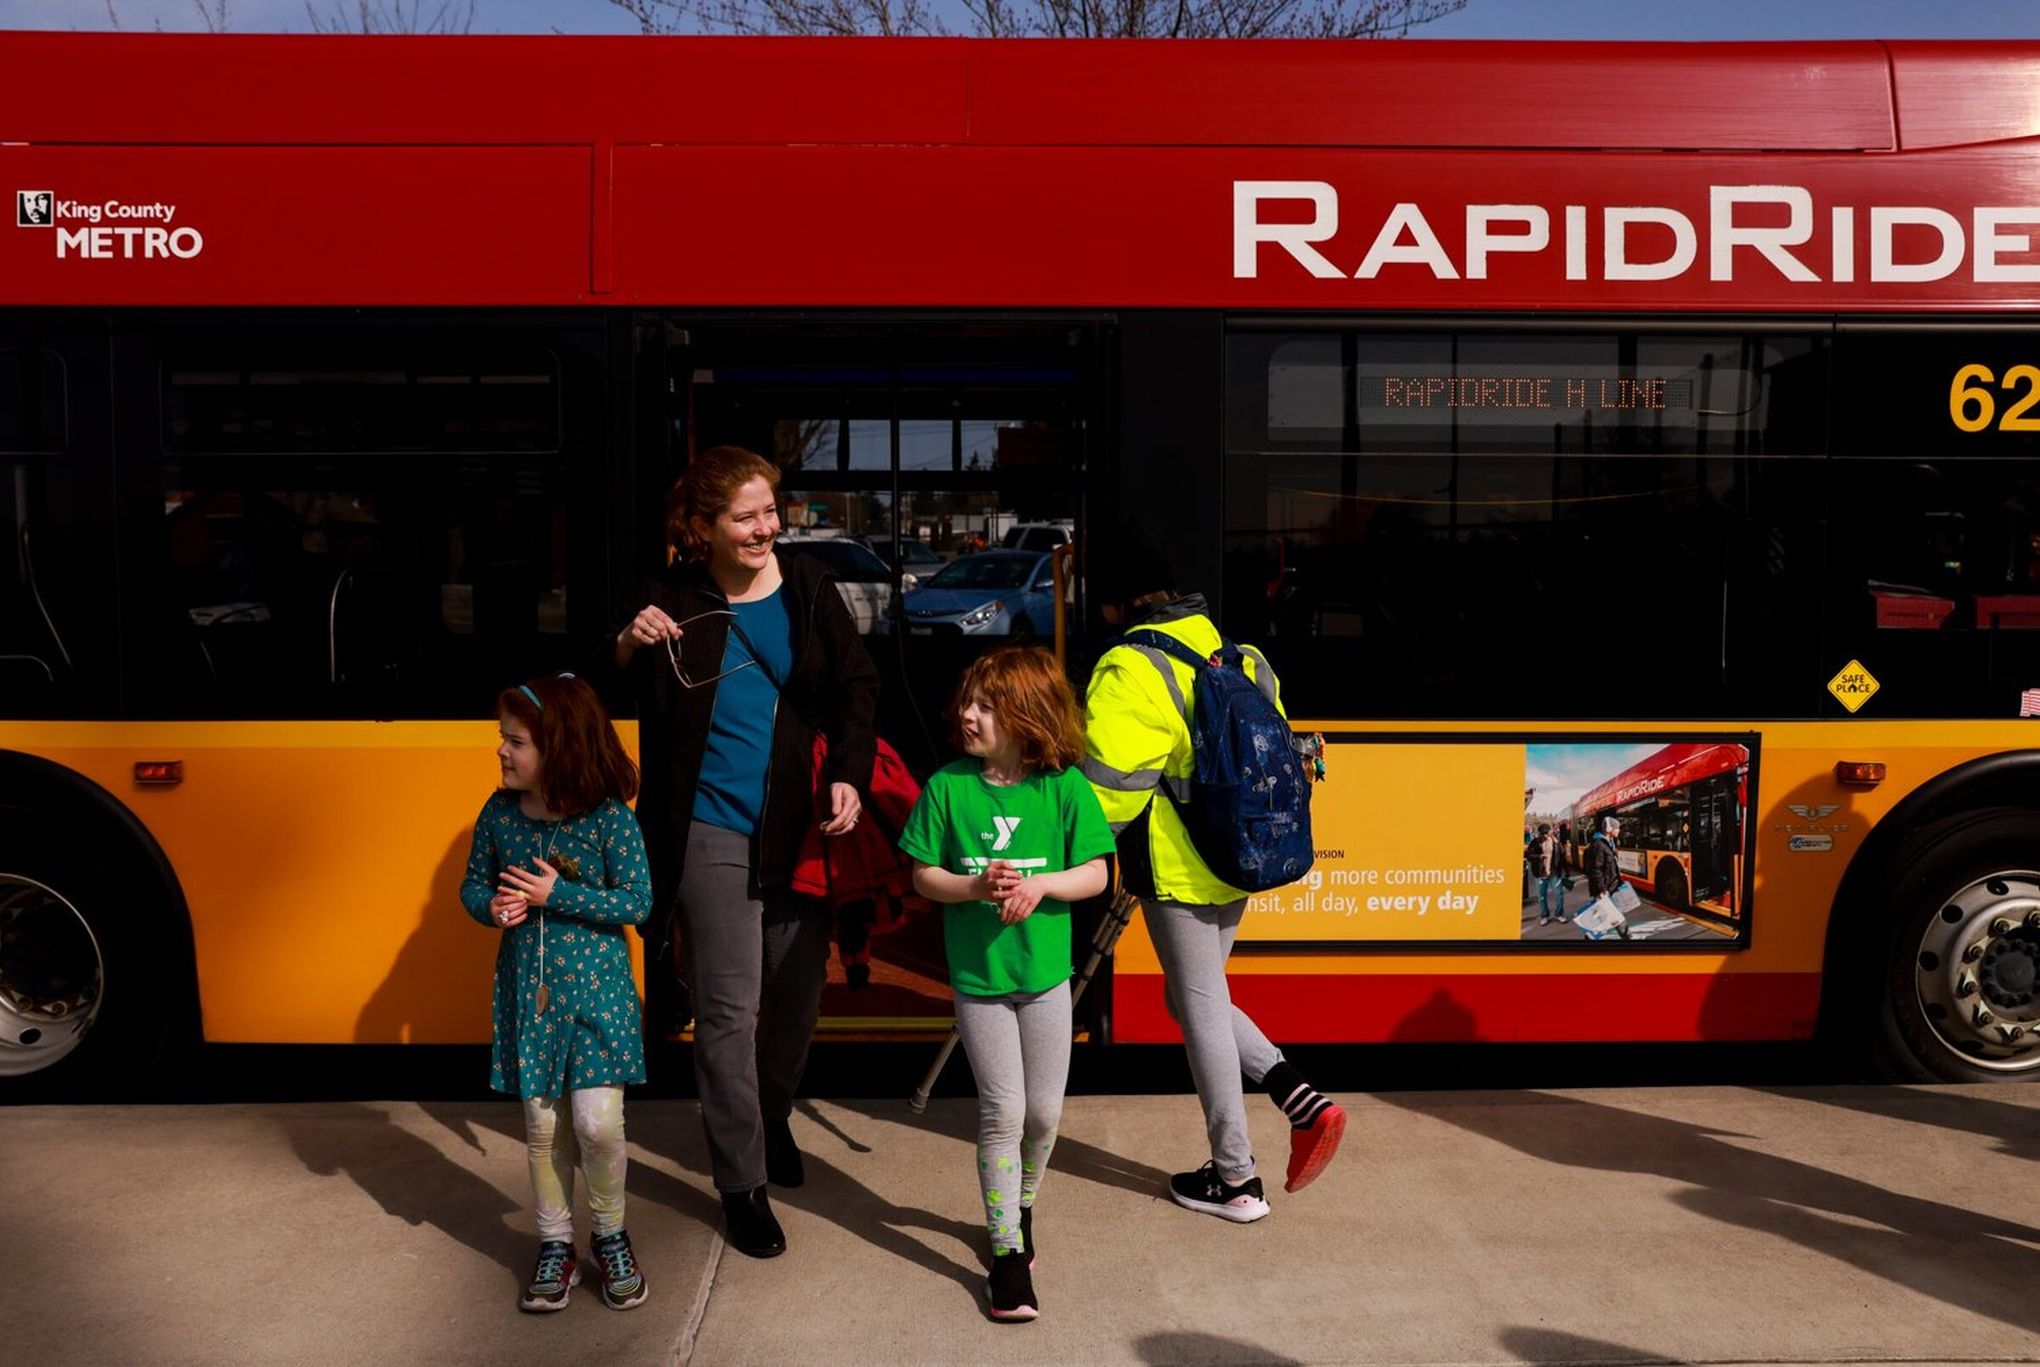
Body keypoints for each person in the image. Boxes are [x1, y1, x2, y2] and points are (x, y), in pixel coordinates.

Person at [589, 445, 878, 1260]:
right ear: (704, 526)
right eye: (746, 516)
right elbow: (598, 689)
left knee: (795, 1002)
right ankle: (741, 1182)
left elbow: (860, 688)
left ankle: (773, 1113)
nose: (765, 528)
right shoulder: (668, 597)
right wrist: (624, 644)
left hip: (799, 824)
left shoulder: (811, 589)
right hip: (708, 827)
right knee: (724, 1010)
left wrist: (850, 777)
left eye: (769, 512)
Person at [1079, 522, 1345, 1224]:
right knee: (1194, 998)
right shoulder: (1244, 655)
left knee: (1196, 1007)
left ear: (1114, 601)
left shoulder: (1129, 668)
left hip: (1182, 869)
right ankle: (1300, 1101)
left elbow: (1106, 797)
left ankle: (1236, 1179)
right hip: (1244, 857)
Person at [899, 646, 1114, 1323]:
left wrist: (1044, 882)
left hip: (1046, 978)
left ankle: (1018, 1205)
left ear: (1030, 714)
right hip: (980, 980)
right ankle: (1007, 1255)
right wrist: (972, 885)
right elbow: (921, 875)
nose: (967, 714)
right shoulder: (948, 787)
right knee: (1003, 1111)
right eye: (967, 702)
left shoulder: (1064, 787)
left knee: (1044, 1113)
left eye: (986, 705)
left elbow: (1098, 874)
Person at [460, 673, 653, 1314]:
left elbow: (638, 902)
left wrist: (555, 895)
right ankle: (555, 1244)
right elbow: (470, 887)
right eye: (502, 739)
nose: (501, 752)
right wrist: (490, 906)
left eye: (515, 741)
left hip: (601, 1002)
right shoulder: (499, 814)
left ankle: (610, 1235)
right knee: (543, 1129)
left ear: (559, 746)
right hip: (531, 997)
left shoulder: (609, 821)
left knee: (597, 1125)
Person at [1584, 815, 1630, 941]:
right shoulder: (1599, 845)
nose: (1619, 830)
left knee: (1603, 920)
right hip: (1605, 891)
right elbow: (1595, 870)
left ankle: (1589, 938)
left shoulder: (1609, 843)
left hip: (1612, 888)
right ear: (1610, 829)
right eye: (1617, 828)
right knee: (1616, 920)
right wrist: (1600, 890)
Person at [1527, 822, 1569, 926]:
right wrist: (1539, 856)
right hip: (1540, 874)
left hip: (1554, 873)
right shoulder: (1535, 843)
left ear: (1550, 832)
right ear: (1540, 833)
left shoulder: (1556, 842)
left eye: (1547, 833)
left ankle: (1559, 914)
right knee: (1542, 896)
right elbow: (1528, 856)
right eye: (1543, 833)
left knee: (1559, 894)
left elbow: (1562, 857)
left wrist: (1566, 871)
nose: (1545, 835)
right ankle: (1544, 916)